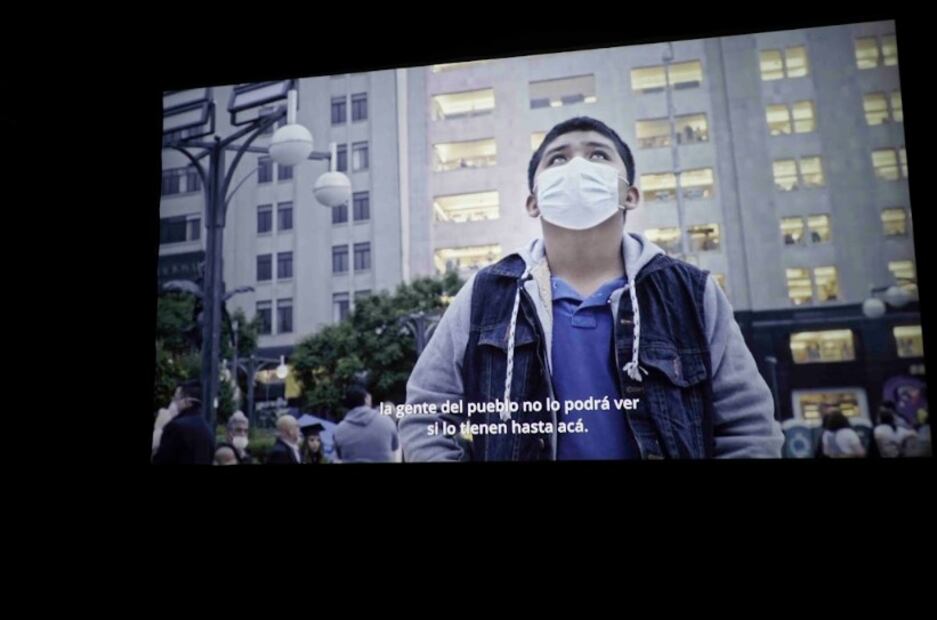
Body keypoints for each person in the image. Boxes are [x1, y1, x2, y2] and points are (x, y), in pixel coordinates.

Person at [399, 116, 783, 461]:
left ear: (630, 194)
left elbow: (748, 428)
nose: (577, 166)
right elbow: (425, 413)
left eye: (598, 155)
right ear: (533, 202)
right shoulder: (486, 293)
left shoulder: (692, 293)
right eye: (558, 159)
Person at [153, 380, 215, 465]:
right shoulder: (208, 430)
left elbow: (159, 460)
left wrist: (159, 428)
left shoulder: (175, 427)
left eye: (176, 399)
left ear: (187, 402)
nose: (173, 403)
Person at [333, 385, 400, 463]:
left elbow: (339, 457)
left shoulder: (339, 430)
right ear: (366, 399)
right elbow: (395, 449)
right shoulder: (387, 422)